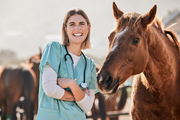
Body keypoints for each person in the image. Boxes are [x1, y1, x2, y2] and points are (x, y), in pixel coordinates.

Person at [36, 7, 98, 120]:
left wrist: (72, 85)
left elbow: (87, 106)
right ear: (65, 29)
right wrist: (78, 96)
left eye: (81, 23)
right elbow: (50, 89)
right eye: (72, 24)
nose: (77, 28)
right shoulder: (54, 48)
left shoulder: (90, 65)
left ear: (88, 28)